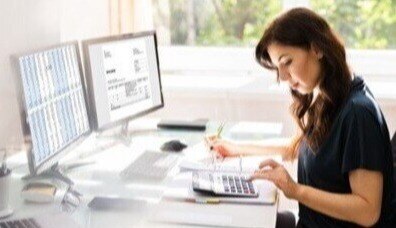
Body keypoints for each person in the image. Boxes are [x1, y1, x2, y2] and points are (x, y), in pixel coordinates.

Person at [206, 7, 396, 228]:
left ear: (317, 48)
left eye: (287, 62)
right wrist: (236, 148)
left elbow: (367, 211)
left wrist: (295, 191)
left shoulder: (357, 113)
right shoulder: (329, 96)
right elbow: (298, 147)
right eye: (278, 67)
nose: (283, 77)